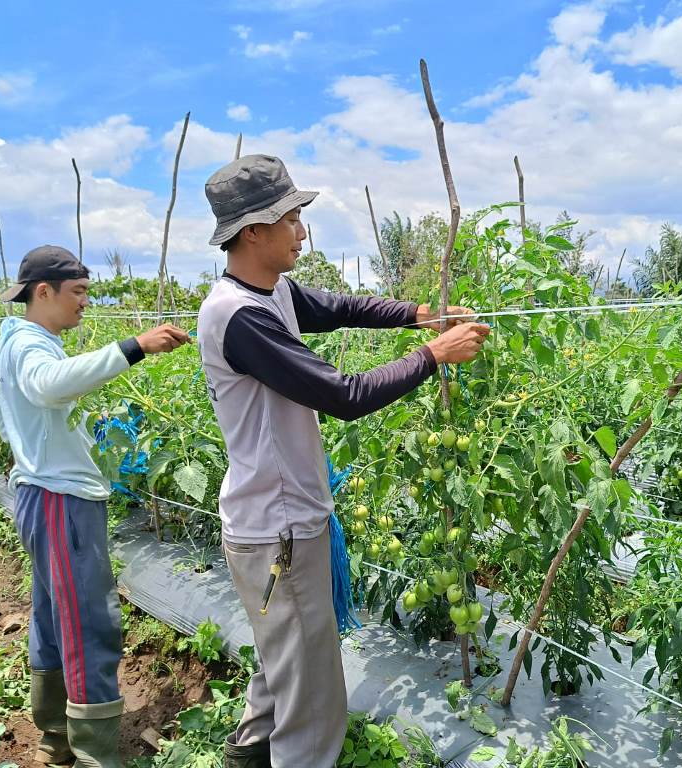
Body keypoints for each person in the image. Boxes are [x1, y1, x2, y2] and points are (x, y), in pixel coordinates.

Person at [198, 155, 489, 768]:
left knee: (285, 664)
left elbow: (340, 307)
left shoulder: (268, 292)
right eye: (293, 218)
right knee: (314, 699)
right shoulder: (241, 317)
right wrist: (433, 355)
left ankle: (248, 757)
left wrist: (417, 315)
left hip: (270, 522)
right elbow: (343, 396)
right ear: (254, 231)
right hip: (278, 531)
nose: (302, 230)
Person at [0, 246, 190, 767]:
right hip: (59, 500)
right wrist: (134, 346)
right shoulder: (30, 345)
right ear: (43, 292)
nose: (85, 304)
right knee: (87, 620)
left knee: (56, 617)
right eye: (78, 293)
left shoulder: (29, 340)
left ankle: (57, 738)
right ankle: (95, 754)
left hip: (45, 494)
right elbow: (48, 387)